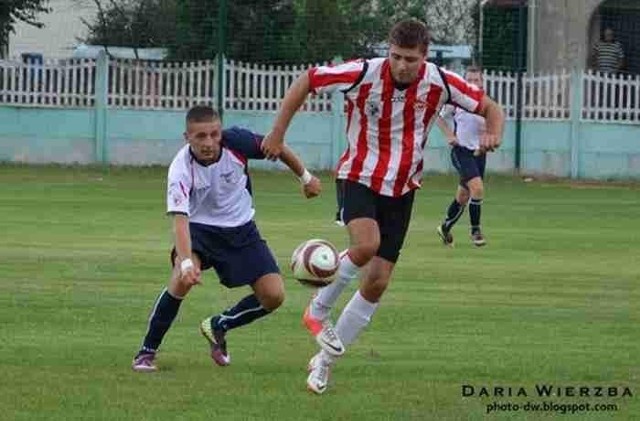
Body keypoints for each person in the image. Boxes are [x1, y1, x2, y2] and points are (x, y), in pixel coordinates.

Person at [261, 18, 504, 394]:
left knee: (377, 281)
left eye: (410, 58)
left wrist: (494, 131)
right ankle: (318, 308)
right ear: (387, 51)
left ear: (424, 57)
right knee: (366, 244)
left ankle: (324, 362)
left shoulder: (439, 81)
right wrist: (277, 132)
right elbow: (308, 79)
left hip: (403, 187)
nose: (402, 65)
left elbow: (490, 107)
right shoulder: (364, 72)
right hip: (358, 175)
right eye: (396, 56)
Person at [131, 105, 321, 372]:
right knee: (180, 280)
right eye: (200, 136)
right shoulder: (180, 169)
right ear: (187, 137)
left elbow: (276, 146)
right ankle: (146, 353)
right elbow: (180, 221)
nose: (209, 142)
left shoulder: (237, 142)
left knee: (274, 296)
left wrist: (306, 177)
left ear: (221, 132)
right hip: (199, 231)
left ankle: (220, 324)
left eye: (214, 134)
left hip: (241, 230)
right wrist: (186, 263)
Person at [435, 66, 489, 247]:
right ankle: (475, 230)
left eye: (477, 80)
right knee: (478, 189)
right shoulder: (457, 100)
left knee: (463, 196)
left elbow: (492, 125)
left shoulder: (485, 102)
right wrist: (450, 135)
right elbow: (437, 115)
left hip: (479, 154)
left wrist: (487, 138)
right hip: (461, 151)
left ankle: (445, 227)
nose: (474, 83)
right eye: (470, 80)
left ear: (482, 82)